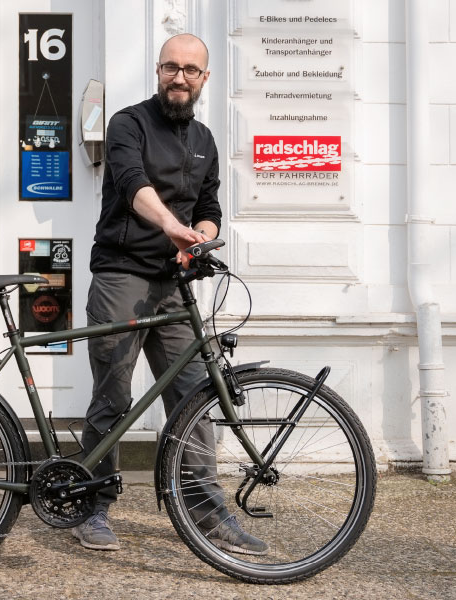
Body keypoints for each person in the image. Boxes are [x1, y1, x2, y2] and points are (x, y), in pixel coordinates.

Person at [75, 34, 267, 555]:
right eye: (169, 68)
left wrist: (200, 233)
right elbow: (133, 184)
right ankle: (91, 505)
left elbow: (210, 206)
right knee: (113, 395)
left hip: (175, 283)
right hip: (122, 273)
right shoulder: (128, 123)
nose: (178, 77)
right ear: (158, 71)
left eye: (189, 70)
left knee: (196, 397)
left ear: (204, 78)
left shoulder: (204, 137)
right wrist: (171, 227)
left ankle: (207, 514)